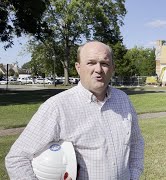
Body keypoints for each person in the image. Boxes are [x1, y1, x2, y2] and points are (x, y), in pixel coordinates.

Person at [5, 41, 145, 179]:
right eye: (91, 63)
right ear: (78, 67)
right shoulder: (57, 107)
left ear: (112, 68)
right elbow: (17, 158)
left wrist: (133, 174)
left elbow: (136, 142)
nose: (98, 69)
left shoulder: (123, 100)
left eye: (104, 63)